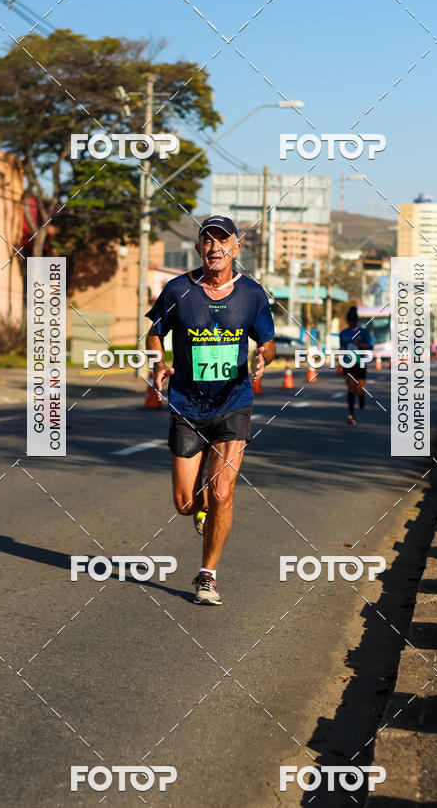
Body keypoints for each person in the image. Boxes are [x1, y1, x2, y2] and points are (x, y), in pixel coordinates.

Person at [145, 215, 276, 606]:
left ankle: (207, 575)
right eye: (208, 240)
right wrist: (158, 361)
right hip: (187, 403)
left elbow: (268, 342)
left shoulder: (252, 294)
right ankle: (198, 505)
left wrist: (262, 356)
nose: (215, 247)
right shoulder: (178, 289)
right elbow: (155, 331)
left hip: (233, 403)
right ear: (199, 247)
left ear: (236, 247)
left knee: (221, 492)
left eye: (223, 241)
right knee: (186, 504)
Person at [339, 305, 373, 425]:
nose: (351, 323)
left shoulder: (363, 332)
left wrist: (360, 344)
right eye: (349, 321)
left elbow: (370, 346)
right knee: (351, 388)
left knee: (359, 389)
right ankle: (351, 414)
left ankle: (361, 397)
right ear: (347, 321)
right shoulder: (343, 333)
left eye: (353, 321)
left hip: (360, 363)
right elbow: (342, 348)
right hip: (348, 364)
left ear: (356, 321)